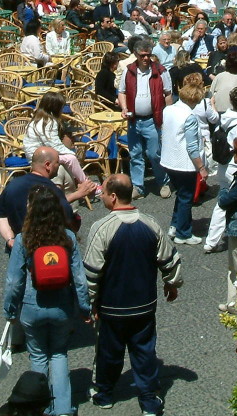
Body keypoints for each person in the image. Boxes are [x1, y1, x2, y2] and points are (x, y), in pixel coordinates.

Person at [85, 174, 182, 416]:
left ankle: (104, 394)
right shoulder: (151, 224)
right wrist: (172, 284)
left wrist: (89, 303)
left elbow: (91, 272)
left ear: (114, 196)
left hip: (111, 307)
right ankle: (149, 401)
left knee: (108, 353)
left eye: (104, 193)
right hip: (144, 306)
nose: (102, 196)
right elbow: (169, 259)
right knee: (145, 353)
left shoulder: (101, 228)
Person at [3, 187, 90, 416]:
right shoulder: (68, 237)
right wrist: (84, 307)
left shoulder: (24, 240)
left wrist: (10, 310)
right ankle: (63, 409)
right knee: (59, 353)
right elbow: (79, 278)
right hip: (61, 306)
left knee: (39, 356)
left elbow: (14, 281)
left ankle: (38, 406)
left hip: (32, 307)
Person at [204, 86, 237, 255]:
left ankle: (219, 236)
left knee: (226, 200)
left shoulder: (224, 118)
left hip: (223, 166)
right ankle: (212, 242)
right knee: (224, 203)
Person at [118, 37, 173, 199]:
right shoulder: (128, 72)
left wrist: (167, 117)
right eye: (142, 55)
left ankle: (163, 182)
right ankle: (138, 187)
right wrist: (124, 107)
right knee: (135, 154)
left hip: (152, 119)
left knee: (154, 154)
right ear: (135, 55)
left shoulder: (160, 72)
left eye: (148, 55)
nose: (145, 58)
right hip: (134, 120)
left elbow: (168, 94)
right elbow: (121, 92)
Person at [0, 147, 84, 246]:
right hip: (46, 252)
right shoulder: (52, 191)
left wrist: (10, 240)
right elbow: (67, 220)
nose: (58, 166)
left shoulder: (12, 186)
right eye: (57, 162)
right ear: (47, 165)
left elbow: (1, 216)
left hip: (19, 248)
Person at [160, 79, 210, 245]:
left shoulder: (168, 110)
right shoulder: (189, 117)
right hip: (184, 164)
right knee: (186, 198)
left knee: (181, 195)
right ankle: (183, 233)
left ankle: (175, 225)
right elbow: (192, 147)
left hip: (168, 161)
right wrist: (201, 167)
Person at [23, 92, 92, 189]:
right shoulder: (49, 122)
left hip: (34, 155)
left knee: (69, 160)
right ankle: (87, 184)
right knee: (71, 159)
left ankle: (78, 180)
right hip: (39, 157)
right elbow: (54, 144)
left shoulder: (38, 118)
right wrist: (71, 153)